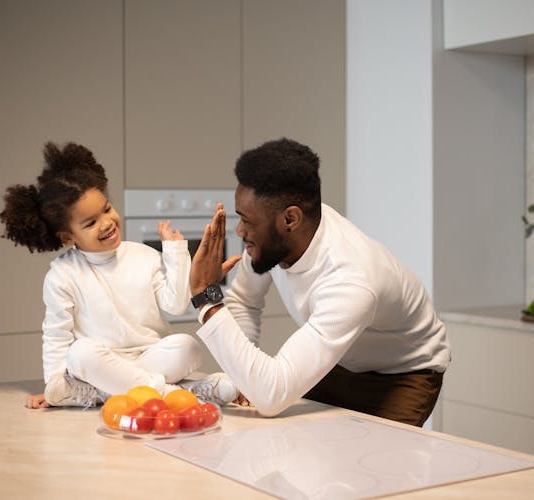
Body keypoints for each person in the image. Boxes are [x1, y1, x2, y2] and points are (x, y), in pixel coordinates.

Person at [189, 138, 451, 427]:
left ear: (290, 218)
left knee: (380, 466)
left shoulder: (350, 280)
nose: (240, 231)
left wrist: (206, 299)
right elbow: (244, 300)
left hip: (403, 372)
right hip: (342, 361)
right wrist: (242, 377)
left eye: (248, 221)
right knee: (307, 452)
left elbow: (271, 397)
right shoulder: (276, 238)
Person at [0, 141, 236, 409]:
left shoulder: (144, 256)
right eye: (90, 223)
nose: (107, 222)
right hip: (101, 363)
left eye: (107, 209)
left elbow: (177, 304)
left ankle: (108, 393)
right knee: (80, 354)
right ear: (67, 237)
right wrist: (53, 384)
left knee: (187, 347)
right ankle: (178, 394)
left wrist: (176, 251)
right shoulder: (62, 275)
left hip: (146, 358)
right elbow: (56, 335)